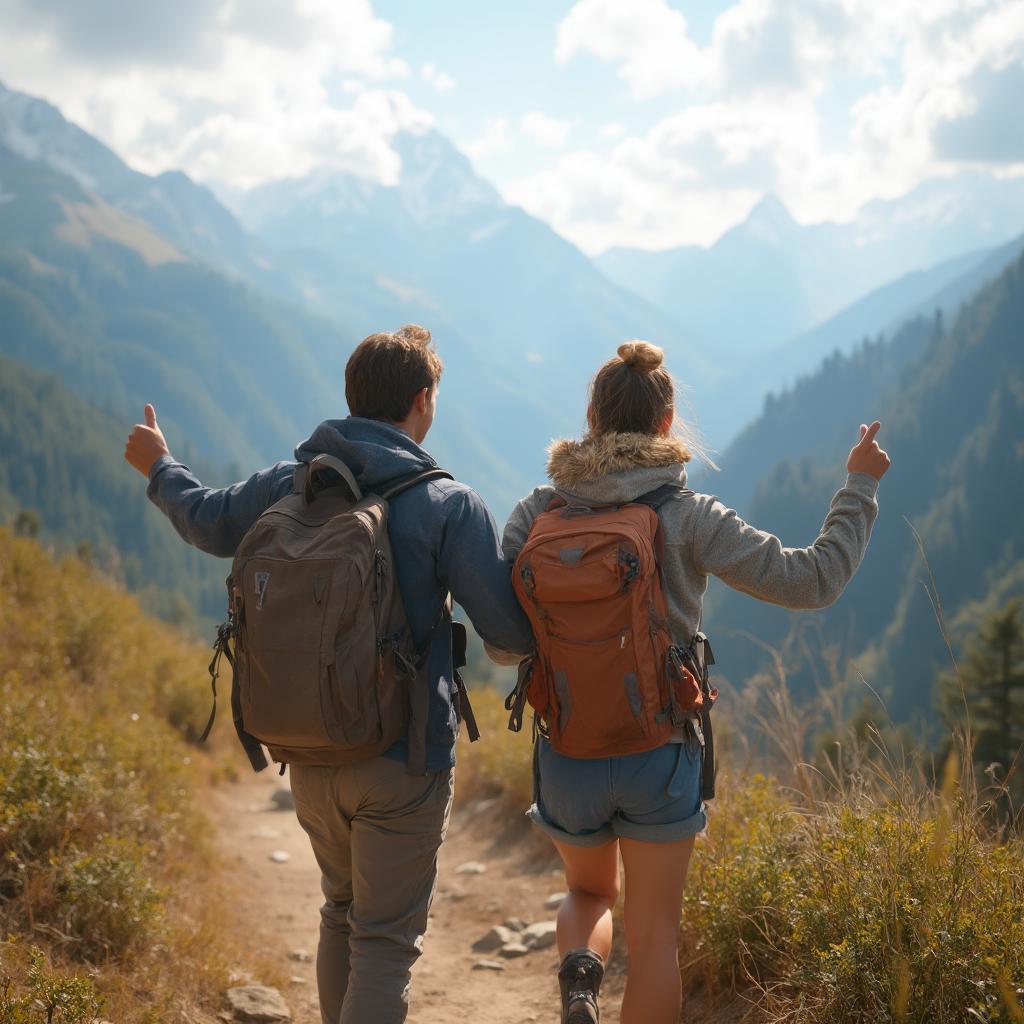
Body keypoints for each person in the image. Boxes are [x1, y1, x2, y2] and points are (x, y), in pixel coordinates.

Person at [123, 324, 533, 1024]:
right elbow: (508, 634)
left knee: (340, 913)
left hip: (306, 747)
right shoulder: (448, 504)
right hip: (403, 759)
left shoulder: (293, 482)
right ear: (423, 400)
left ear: (350, 398)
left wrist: (162, 466)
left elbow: (205, 522)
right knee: (383, 942)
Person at [491, 340, 890, 1024]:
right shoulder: (689, 515)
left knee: (588, 896)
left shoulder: (536, 513)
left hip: (569, 753)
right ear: (668, 421)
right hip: (660, 754)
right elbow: (812, 580)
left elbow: (503, 646)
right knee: (655, 940)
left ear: (589, 416)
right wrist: (859, 486)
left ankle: (581, 977)